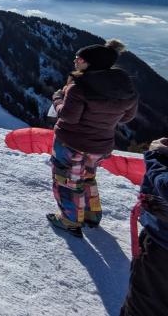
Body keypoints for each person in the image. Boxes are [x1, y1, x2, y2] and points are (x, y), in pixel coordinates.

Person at [47, 39, 138, 237]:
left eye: (79, 58)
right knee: (88, 177)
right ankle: (92, 215)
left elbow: (69, 117)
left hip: (71, 143)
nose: (75, 61)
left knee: (67, 180)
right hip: (101, 144)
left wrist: (57, 99)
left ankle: (70, 220)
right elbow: (127, 117)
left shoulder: (79, 86)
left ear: (91, 63)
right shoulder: (125, 86)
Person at [120, 137, 168, 316]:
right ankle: (89, 213)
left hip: (162, 246)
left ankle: (72, 218)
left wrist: (158, 157)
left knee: (143, 307)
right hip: (99, 142)